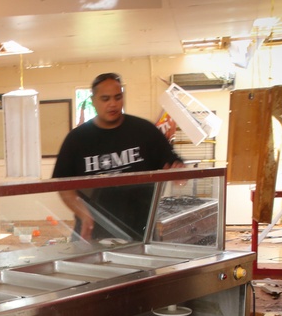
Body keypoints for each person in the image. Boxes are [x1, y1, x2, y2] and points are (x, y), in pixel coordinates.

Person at [52, 72, 184, 242]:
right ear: (93, 101)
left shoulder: (144, 131)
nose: (112, 104)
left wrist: (177, 173)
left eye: (117, 97)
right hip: (92, 231)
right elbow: (63, 186)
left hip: (140, 230)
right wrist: (83, 214)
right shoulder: (77, 139)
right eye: (105, 99)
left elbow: (174, 165)